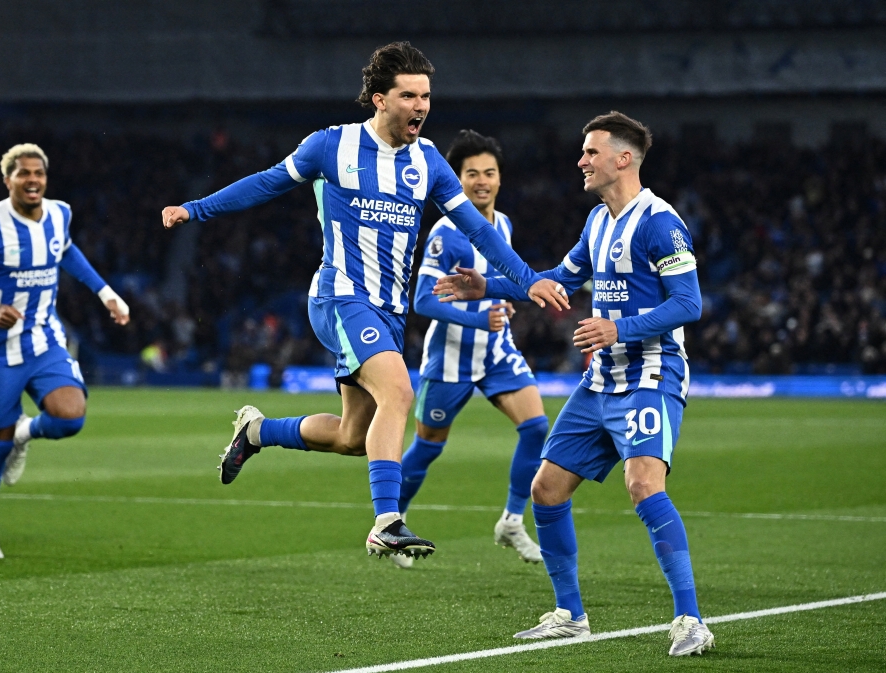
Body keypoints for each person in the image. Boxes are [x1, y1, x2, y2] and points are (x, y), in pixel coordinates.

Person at [160, 42, 566, 560]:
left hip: (388, 311)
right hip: (341, 297)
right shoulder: (331, 146)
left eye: (425, 96)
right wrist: (195, 209)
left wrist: (527, 278)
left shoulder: (430, 162)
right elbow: (266, 183)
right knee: (399, 393)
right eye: (408, 95)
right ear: (379, 99)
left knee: (354, 437)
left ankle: (257, 431)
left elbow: (481, 235)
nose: (420, 106)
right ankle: (387, 523)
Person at [433, 112, 714, 656]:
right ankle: (570, 614)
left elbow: (689, 303)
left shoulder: (660, 222)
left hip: (650, 375)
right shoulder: (598, 221)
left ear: (623, 158)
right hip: (601, 377)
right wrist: (486, 286)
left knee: (643, 485)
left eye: (591, 152)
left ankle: (690, 621)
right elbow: (559, 281)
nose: (581, 161)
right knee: (546, 490)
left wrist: (618, 327)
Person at [0, 143, 130, 559]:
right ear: (7, 179)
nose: (33, 181)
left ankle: (23, 434)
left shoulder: (60, 213)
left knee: (70, 415)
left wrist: (107, 294)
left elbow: (67, 252)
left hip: (44, 339)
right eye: (23, 174)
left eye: (39, 174)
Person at [391, 130, 548, 570]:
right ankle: (392, 520)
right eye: (472, 173)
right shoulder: (446, 232)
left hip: (497, 353)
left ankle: (513, 521)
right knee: (427, 448)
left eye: (490, 173)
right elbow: (422, 300)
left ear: (500, 178)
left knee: (537, 428)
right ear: (457, 179)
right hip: (451, 359)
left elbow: (500, 284)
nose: (482, 181)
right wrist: (481, 316)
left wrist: (507, 307)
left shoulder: (504, 225)